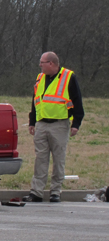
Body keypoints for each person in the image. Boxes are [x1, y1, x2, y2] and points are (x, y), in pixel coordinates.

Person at [23, 52, 84, 203]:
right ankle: (36, 192)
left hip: (60, 124)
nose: (40, 65)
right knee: (40, 159)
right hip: (42, 124)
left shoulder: (68, 77)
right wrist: (32, 121)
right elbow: (35, 100)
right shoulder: (40, 78)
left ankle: (55, 191)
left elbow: (77, 100)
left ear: (51, 63)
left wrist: (76, 123)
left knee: (58, 159)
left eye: (42, 62)